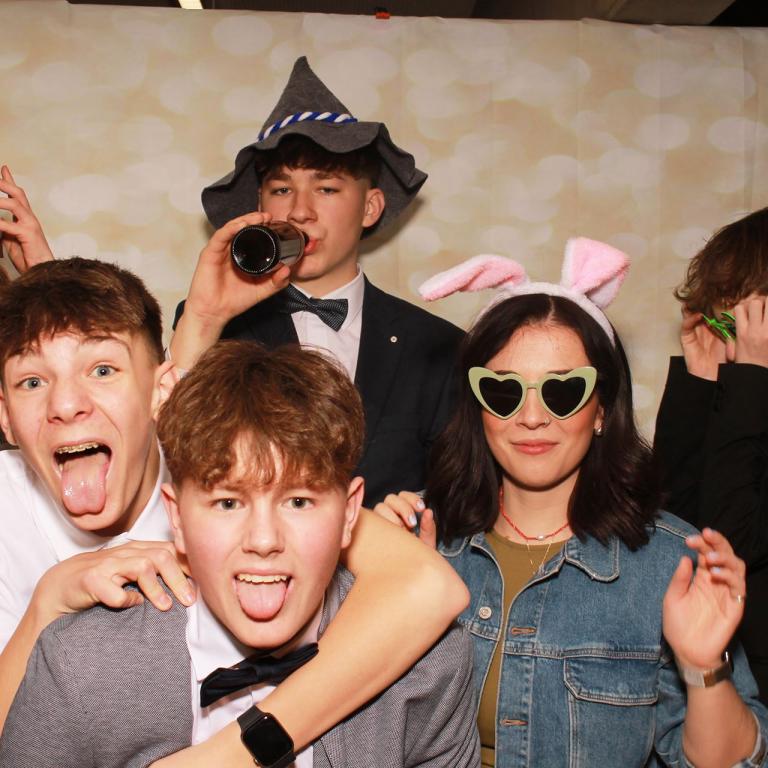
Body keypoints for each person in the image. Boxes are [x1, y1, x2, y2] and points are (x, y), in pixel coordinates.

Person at [0, 257, 470, 766]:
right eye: (32, 382)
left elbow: (427, 587)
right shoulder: (81, 656)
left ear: (161, 391)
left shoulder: (236, 455)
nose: (66, 405)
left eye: (103, 370)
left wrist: (230, 754)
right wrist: (47, 604)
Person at [376, 238, 768, 767]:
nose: (532, 417)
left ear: (602, 408)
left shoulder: (670, 563)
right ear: (478, 407)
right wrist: (378, 585)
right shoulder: (414, 540)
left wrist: (703, 668)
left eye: (562, 392)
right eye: (503, 391)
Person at [170, 56, 463, 506]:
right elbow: (167, 460)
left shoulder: (436, 347)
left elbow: (461, 493)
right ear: (260, 206)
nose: (300, 212)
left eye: (326, 189)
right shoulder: (213, 327)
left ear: (370, 207)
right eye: (282, 190)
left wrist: (409, 516)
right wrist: (204, 319)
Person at [654, 207, 768, 705]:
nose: (732, 339)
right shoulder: (743, 401)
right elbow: (671, 531)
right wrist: (698, 384)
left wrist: (750, 379)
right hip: (714, 677)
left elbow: (730, 542)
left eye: (743, 321)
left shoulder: (750, 397)